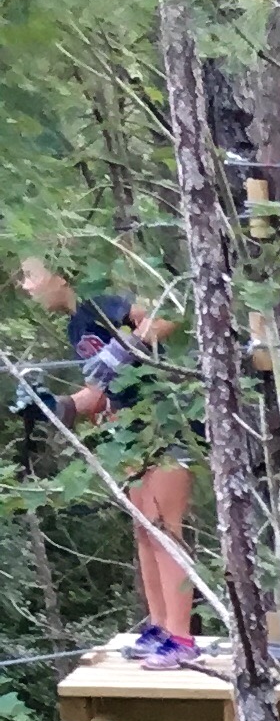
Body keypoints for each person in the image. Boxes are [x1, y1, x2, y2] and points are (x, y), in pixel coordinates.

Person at [19, 255, 197, 662]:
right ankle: (160, 627)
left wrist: (128, 346)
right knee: (144, 531)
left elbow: (169, 314)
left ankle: (182, 640)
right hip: (132, 429)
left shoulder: (104, 299)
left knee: (164, 529)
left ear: (61, 271)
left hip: (170, 418)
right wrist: (51, 405)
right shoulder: (77, 324)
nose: (26, 287)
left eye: (30, 276)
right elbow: (97, 395)